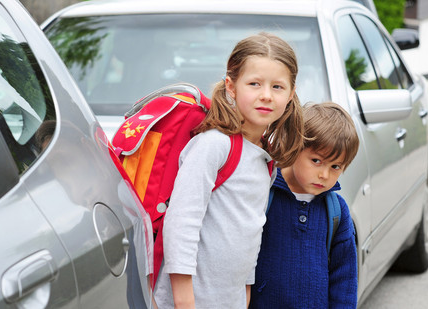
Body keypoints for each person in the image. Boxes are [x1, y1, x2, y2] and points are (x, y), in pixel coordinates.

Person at [152, 32, 305, 309]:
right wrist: (183, 298)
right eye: (254, 84)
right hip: (187, 301)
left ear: (291, 94)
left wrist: (246, 288)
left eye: (278, 87)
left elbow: (249, 228)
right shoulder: (215, 145)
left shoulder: (264, 157)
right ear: (231, 87)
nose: (266, 95)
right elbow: (182, 221)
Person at [249, 102, 360, 309]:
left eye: (335, 166)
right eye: (316, 161)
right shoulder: (264, 193)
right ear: (294, 147)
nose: (324, 175)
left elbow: (344, 280)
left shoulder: (337, 211)